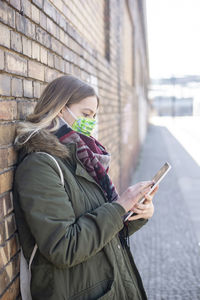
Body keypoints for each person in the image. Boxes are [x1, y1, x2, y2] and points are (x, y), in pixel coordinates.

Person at [13, 74, 159, 300]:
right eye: (86, 114)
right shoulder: (40, 165)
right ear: (61, 109)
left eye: (93, 116)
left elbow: (107, 230)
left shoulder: (83, 158)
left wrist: (137, 212)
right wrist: (119, 206)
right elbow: (63, 247)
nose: (91, 122)